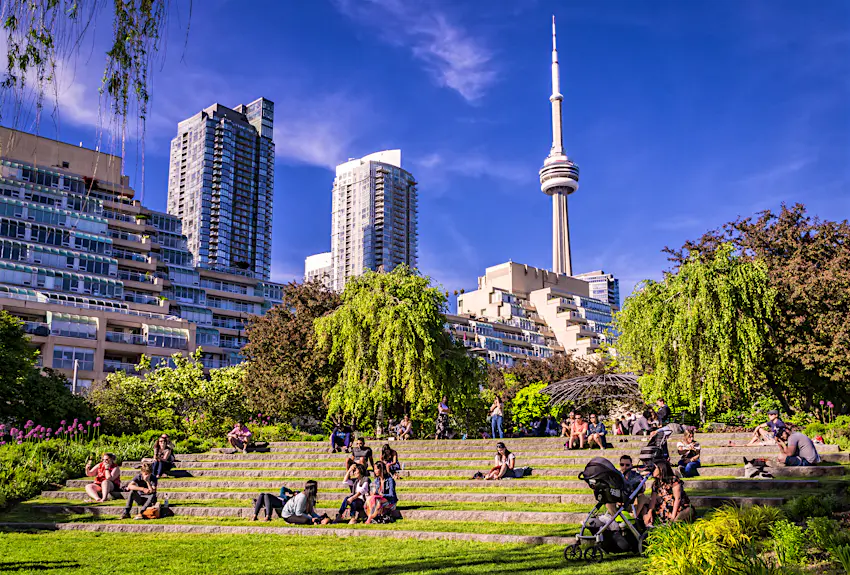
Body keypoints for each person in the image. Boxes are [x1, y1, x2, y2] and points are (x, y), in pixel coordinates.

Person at [643, 460, 694, 525]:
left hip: (679, 508)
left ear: (661, 469)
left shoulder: (673, 480)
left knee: (676, 522)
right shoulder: (656, 484)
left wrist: (673, 516)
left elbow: (677, 499)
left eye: (654, 468)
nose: (652, 470)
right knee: (645, 509)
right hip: (663, 510)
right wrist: (649, 513)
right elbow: (653, 500)